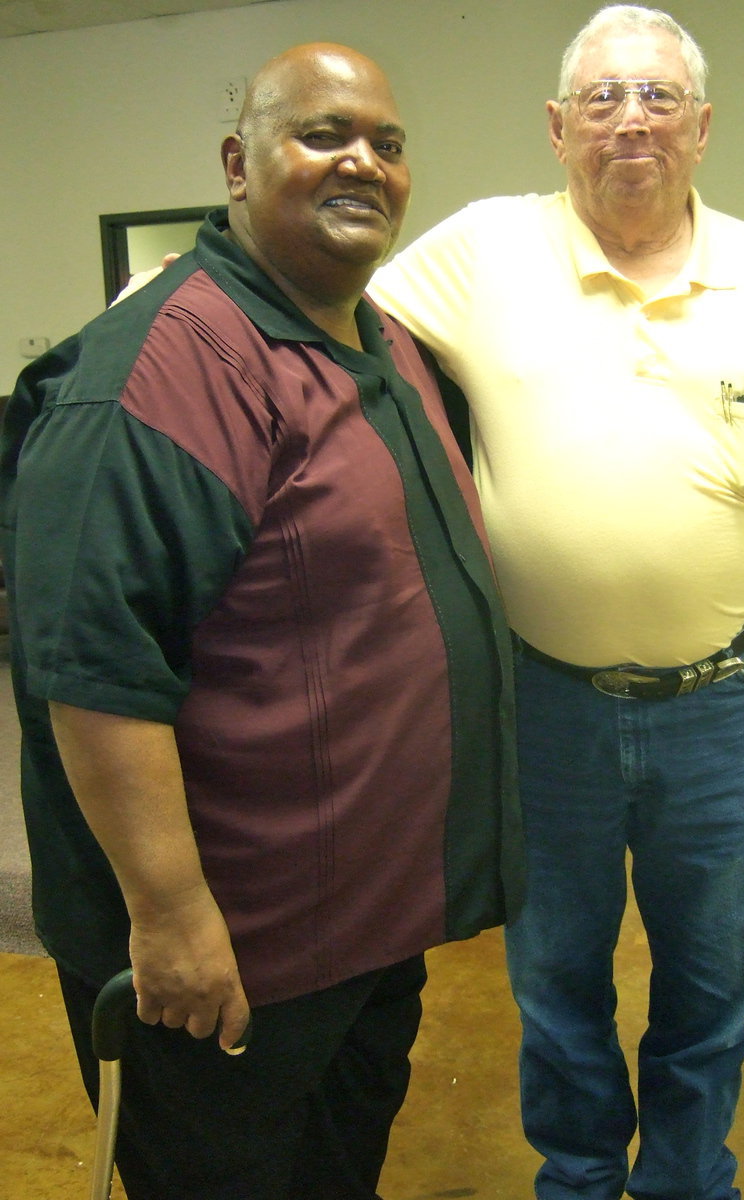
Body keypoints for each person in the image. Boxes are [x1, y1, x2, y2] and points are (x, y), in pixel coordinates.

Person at [0, 43, 523, 1200]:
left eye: (386, 143)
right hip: (234, 959)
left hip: (364, 928)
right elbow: (91, 669)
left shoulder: (380, 344)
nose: (364, 162)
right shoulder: (158, 375)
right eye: (323, 133)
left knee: (336, 1172)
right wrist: (173, 919)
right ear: (239, 163)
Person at [369, 6, 744, 1198]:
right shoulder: (482, 249)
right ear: (555, 127)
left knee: (715, 990)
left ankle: (687, 1183)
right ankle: (578, 1180)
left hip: (726, 703)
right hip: (548, 708)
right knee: (557, 987)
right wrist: (197, 289)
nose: (629, 118)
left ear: (700, 126)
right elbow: (325, 316)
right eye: (601, 98)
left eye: (656, 97)